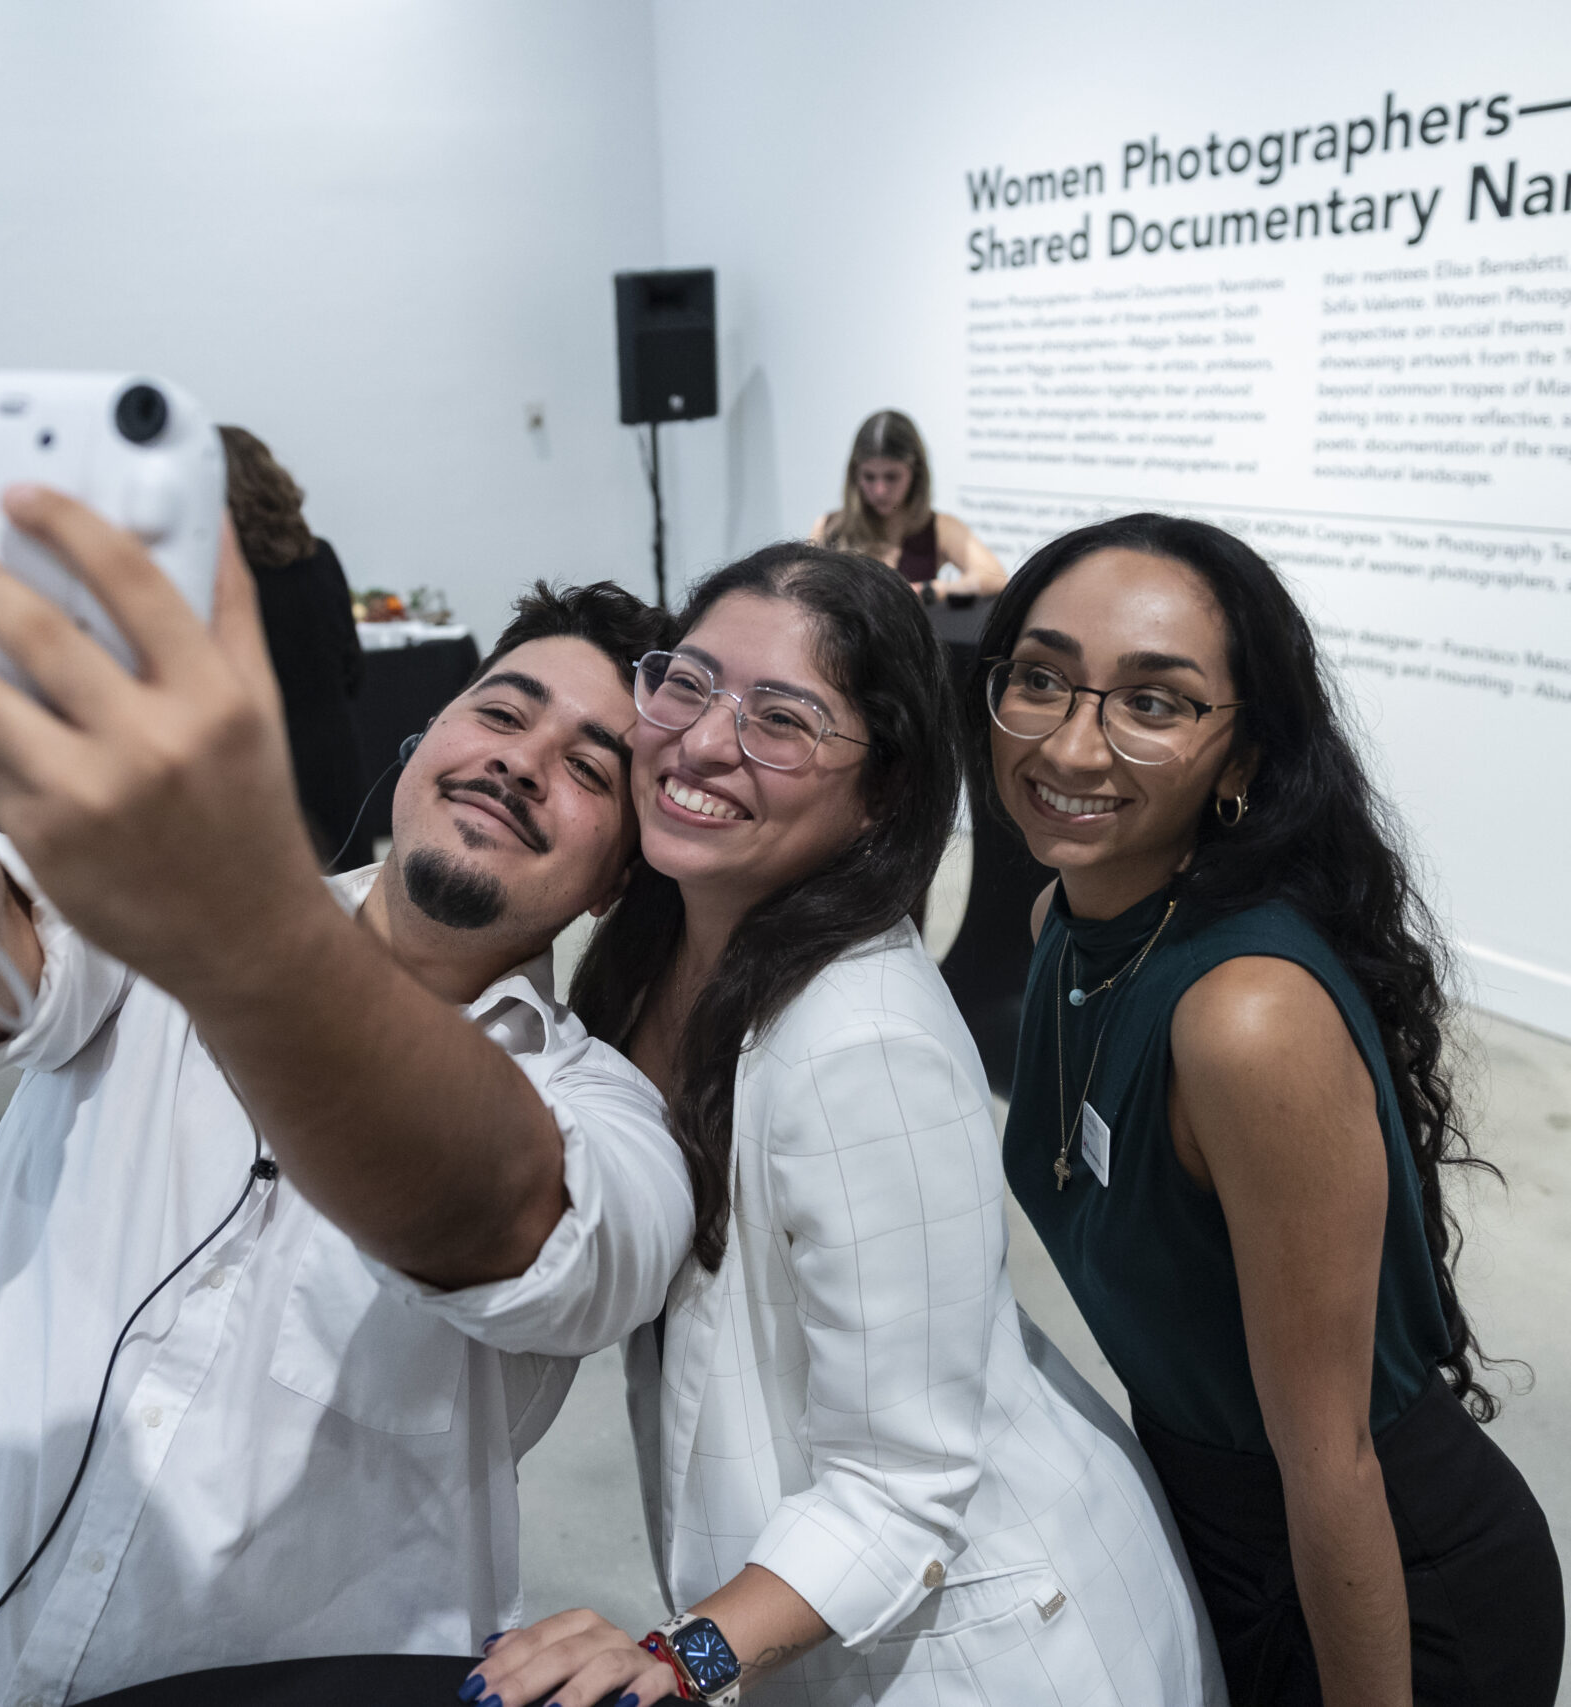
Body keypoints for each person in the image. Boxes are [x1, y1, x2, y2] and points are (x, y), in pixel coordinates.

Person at [0, 473, 688, 1705]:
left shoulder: (612, 1129)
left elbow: (487, 1209)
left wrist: (246, 921)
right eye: (501, 712)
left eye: (590, 768)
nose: (522, 763)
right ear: (424, 737)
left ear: (617, 880)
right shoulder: (152, 927)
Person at [470, 544, 1216, 1707]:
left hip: (989, 1653)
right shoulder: (650, 960)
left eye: (781, 720)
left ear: (880, 794)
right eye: (688, 684)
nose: (703, 741)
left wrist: (678, 1657)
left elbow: (902, 1482)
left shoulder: (858, 1044)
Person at [970, 515, 1563, 1704]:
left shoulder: (1244, 1020)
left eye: (1152, 702)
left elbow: (1332, 1462)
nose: (1071, 744)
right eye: (1039, 679)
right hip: (1211, 1538)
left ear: (1240, 761)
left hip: (1387, 1596)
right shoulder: (1063, 930)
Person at [218, 424, 369, 865]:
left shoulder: (219, 580)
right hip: (333, 753)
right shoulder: (320, 556)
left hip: (258, 762)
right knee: (347, 883)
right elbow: (353, 669)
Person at [808, 411, 1006, 597]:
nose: (880, 490)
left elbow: (996, 578)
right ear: (855, 475)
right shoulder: (829, 527)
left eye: (892, 477)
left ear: (916, 474)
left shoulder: (940, 527)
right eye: (869, 477)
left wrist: (933, 590)